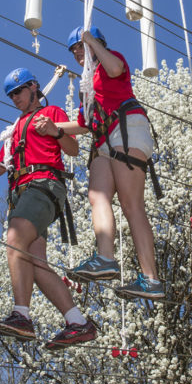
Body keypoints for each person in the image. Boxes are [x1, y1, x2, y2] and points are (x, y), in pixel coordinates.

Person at [0, 68, 97, 350]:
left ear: (34, 87)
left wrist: (54, 132)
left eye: (18, 91)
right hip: (22, 193)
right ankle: (77, 322)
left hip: (43, 185)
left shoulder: (51, 113)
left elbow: (73, 149)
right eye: (11, 95)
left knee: (15, 239)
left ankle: (22, 315)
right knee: (37, 264)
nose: (14, 98)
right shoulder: (14, 130)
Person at [61, 26, 165, 301]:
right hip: (103, 138)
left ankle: (151, 278)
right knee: (97, 195)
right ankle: (105, 256)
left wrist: (92, 42)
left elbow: (117, 68)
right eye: (74, 50)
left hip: (126, 127)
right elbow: (83, 124)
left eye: (80, 48)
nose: (77, 54)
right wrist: (47, 127)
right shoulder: (87, 85)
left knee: (132, 205)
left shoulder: (110, 62)